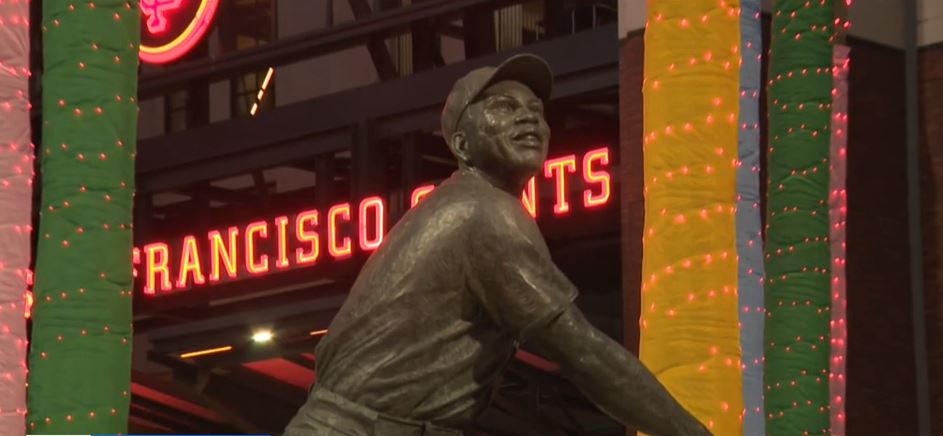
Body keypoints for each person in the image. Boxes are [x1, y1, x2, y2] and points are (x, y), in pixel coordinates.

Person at [283, 54, 711, 436]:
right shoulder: (483, 213)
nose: (528, 120)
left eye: (535, 111)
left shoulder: (465, 204)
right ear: (462, 145)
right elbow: (584, 353)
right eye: (503, 108)